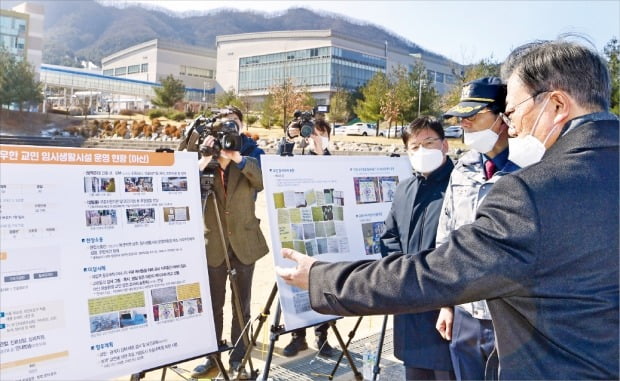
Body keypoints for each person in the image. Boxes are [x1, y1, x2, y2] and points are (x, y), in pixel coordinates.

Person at [276, 38, 619, 380]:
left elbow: (436, 272)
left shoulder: (531, 191)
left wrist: (324, 278)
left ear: (557, 104)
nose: (511, 127)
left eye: (513, 113)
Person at [435, 77, 519, 380]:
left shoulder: (532, 168)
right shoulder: (464, 167)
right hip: (466, 313)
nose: (464, 123)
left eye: (473, 115)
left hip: (512, 316)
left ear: (503, 117)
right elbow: (446, 237)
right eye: (461, 117)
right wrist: (446, 304)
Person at [190, 106, 269, 379]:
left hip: (244, 243)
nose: (229, 130)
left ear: (242, 126)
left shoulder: (251, 154)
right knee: (213, 305)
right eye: (224, 126)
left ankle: (239, 359)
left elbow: (261, 180)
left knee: (241, 306)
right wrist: (204, 159)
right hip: (213, 244)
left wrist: (236, 158)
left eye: (234, 125)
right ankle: (212, 357)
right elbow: (182, 186)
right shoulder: (203, 157)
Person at [380, 116, 454, 380]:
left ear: (444, 145)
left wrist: (450, 301)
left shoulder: (460, 186)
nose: (421, 151)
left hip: (446, 308)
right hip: (409, 305)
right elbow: (389, 237)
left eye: (429, 142)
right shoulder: (404, 188)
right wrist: (401, 275)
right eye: (414, 146)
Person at [279, 117, 336, 358]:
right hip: (295, 228)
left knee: (322, 282)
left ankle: (322, 337)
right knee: (295, 284)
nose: (315, 136)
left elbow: (329, 180)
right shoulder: (295, 154)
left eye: (321, 132)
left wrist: (320, 151)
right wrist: (289, 137)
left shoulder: (329, 159)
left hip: (321, 229)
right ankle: (297, 336)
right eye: (311, 132)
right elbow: (277, 167)